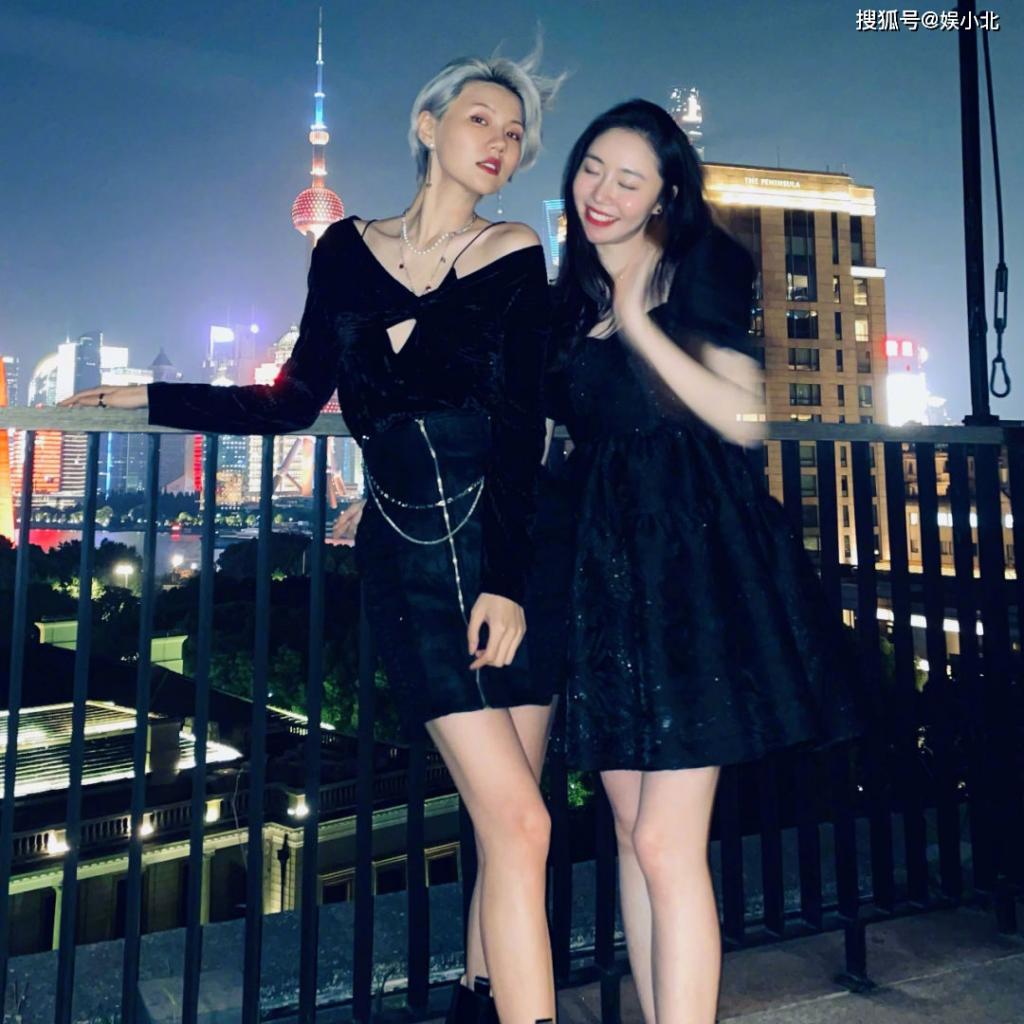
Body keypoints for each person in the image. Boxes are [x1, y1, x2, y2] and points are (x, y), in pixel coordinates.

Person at [63, 50, 564, 1024]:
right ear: (427, 125)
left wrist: (507, 581)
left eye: (514, 135)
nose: (500, 143)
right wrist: (147, 395)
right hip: (410, 562)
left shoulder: (512, 254)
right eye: (481, 119)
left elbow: (520, 430)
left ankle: (480, 997)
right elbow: (290, 403)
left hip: (514, 553)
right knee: (520, 820)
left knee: (510, 820)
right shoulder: (341, 250)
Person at [548, 99, 860, 1024]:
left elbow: (742, 417)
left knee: (665, 842)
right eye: (591, 168)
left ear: (664, 195)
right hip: (606, 580)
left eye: (628, 179)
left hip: (693, 571)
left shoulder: (702, 266)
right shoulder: (572, 293)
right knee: (629, 832)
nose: (601, 192)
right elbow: (562, 435)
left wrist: (640, 324)